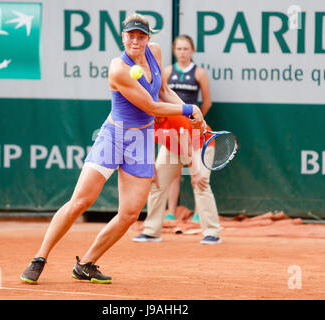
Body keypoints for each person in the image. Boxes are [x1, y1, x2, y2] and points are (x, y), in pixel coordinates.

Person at [20, 14, 205, 285]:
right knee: (80, 202)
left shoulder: (154, 52)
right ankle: (39, 258)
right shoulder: (118, 68)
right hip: (114, 137)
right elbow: (151, 107)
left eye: (141, 36)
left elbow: (163, 92)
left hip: (141, 142)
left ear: (148, 38)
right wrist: (189, 108)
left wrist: (190, 119)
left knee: (130, 213)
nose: (136, 40)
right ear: (123, 36)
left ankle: (86, 263)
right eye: (131, 35)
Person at [132, 35, 221, 245]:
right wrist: (151, 168)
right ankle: (152, 230)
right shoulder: (143, 115)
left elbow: (187, 139)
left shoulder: (172, 113)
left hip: (199, 142)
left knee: (200, 182)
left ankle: (212, 232)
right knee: (156, 183)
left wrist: (195, 168)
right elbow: (148, 141)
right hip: (173, 145)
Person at [164, 35, 213, 223]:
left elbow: (207, 102)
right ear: (174, 51)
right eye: (179, 49)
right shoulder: (167, 72)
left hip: (192, 128)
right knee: (174, 173)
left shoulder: (199, 73)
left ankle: (199, 213)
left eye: (186, 49)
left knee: (197, 171)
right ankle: (170, 211)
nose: (182, 53)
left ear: (192, 50)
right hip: (173, 129)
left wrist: (197, 120)